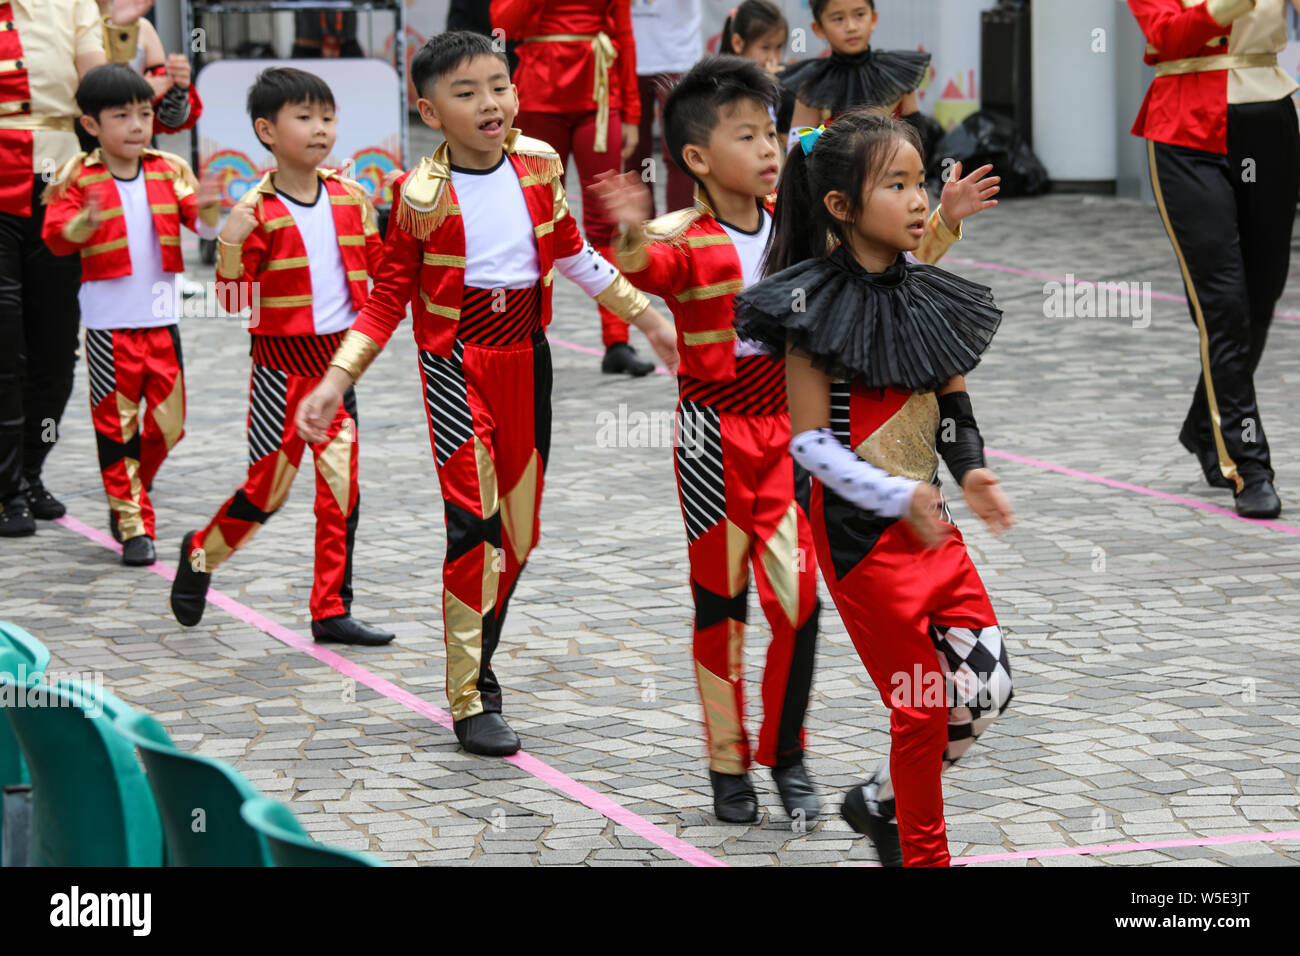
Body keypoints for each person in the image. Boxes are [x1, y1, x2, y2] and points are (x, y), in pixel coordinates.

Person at [596, 56, 999, 825]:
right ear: (696, 159)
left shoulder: (803, 219)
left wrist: (939, 217)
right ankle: (726, 762)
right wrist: (624, 229)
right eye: (745, 136)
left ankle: (787, 753)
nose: (767, 147)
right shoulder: (686, 236)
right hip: (713, 436)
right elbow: (645, 265)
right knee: (722, 604)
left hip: (791, 433)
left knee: (799, 606)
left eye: (770, 131)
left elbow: (886, 277)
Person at [294, 32, 677, 757]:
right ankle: (471, 697)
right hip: (454, 364)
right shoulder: (419, 196)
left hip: (527, 359)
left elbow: (573, 251)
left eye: (499, 85)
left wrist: (648, 317)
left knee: (518, 538)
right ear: (429, 112)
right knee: (475, 527)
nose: (489, 103)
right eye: (465, 93)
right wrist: (336, 379)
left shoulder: (537, 166)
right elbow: (385, 302)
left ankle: (481, 661)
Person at [733, 110, 1015, 867]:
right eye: (897, 185)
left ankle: (878, 802)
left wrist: (972, 471)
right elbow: (810, 445)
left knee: (987, 690)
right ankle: (923, 857)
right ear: (840, 207)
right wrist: (895, 498)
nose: (919, 197)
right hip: (863, 540)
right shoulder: (811, 311)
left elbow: (952, 408)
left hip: (935, 529)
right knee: (921, 709)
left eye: (921, 180)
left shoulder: (927, 294)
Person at [168, 67, 396, 648]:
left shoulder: (351, 196)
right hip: (278, 369)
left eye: (328, 117)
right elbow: (232, 299)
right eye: (305, 117)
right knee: (267, 491)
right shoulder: (255, 210)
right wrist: (229, 240)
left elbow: (380, 270)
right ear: (267, 131)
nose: (321, 129)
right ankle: (200, 553)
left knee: (342, 488)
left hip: (337, 367)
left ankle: (330, 610)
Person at [41, 64, 219, 566]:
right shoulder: (77, 175)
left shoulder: (169, 169)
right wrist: (84, 221)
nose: (138, 125)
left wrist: (208, 210)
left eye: (145, 113)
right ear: (92, 125)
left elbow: (204, 233)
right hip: (107, 325)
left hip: (162, 318)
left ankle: (134, 479)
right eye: (123, 115)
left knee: (170, 424)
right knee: (115, 428)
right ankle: (133, 522)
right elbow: (55, 238)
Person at [1128, 0, 1296, 519]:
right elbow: (1169, 36)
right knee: (1222, 302)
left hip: (1267, 115)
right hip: (1184, 128)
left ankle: (1205, 425)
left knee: (1262, 295)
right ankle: (1249, 464)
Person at [0, 0, 154, 537]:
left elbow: (98, 84)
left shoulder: (68, 3)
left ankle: (29, 471)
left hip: (58, 186)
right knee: (5, 340)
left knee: (56, 346)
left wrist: (124, 37)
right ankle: (6, 487)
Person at [491, 0, 657, 377]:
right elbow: (504, 24)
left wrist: (631, 111)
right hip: (539, 88)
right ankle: (527, 334)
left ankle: (617, 340)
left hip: (597, 91)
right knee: (535, 219)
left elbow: (625, 36)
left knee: (606, 219)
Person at [781, 0, 932, 151]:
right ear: (819, 28)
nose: (851, 27)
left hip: (891, 167)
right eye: (838, 19)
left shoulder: (897, 72)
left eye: (859, 15)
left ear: (873, 19)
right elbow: (799, 148)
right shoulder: (812, 82)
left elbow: (917, 135)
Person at [627, 0, 700, 215]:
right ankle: (640, 234)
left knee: (680, 151)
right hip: (630, 54)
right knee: (634, 153)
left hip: (677, 55)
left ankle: (678, 236)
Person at [719, 0, 794, 140]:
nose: (773, 58)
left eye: (778, 47)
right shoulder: (722, 83)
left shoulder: (782, 78)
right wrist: (764, 87)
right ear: (738, 43)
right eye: (765, 48)